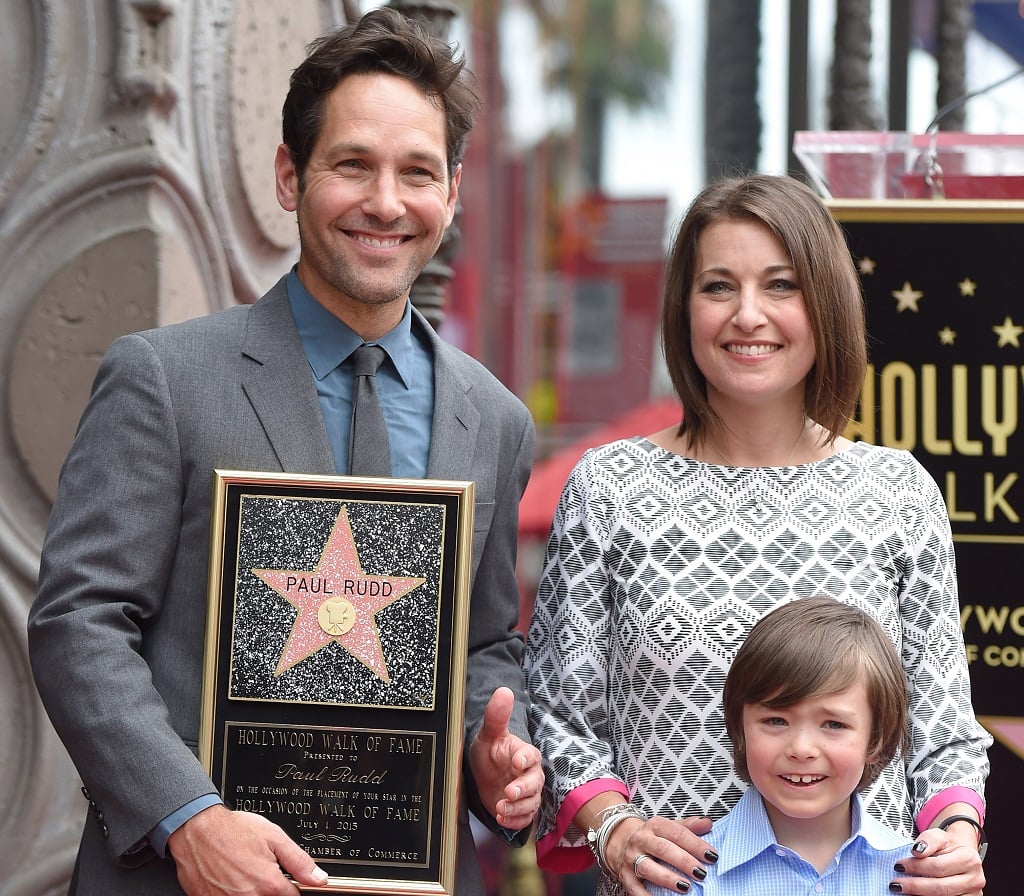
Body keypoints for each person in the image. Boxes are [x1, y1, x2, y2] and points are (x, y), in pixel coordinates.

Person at [27, 8, 541, 895]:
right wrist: (187, 818)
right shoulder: (164, 378)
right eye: (352, 165)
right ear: (288, 176)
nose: (386, 202)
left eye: (417, 172)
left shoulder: (491, 418)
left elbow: (482, 644)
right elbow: (79, 621)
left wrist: (494, 758)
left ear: (451, 195)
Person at [524, 173, 990, 896]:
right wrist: (613, 826)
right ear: (683, 308)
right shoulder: (608, 489)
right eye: (717, 287)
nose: (748, 315)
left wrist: (957, 835)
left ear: (825, 303)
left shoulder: (898, 493)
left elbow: (944, 730)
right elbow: (558, 716)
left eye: (780, 285)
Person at [646, 595, 919, 894]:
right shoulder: (682, 876)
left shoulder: (918, 878)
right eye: (777, 721)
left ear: (876, 739)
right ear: (740, 728)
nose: (801, 749)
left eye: (834, 724)